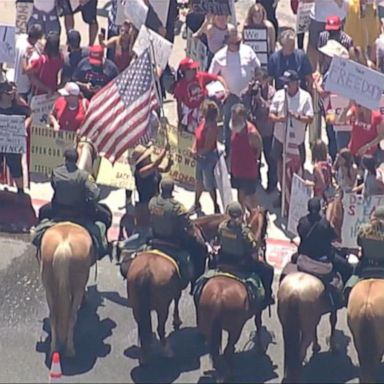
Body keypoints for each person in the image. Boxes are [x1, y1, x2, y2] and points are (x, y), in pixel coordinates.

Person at [38, 148, 112, 257]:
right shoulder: (84, 176)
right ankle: (102, 248)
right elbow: (96, 194)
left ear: (65, 159)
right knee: (105, 216)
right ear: (77, 160)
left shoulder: (56, 172)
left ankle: (38, 240)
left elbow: (54, 186)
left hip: (58, 210)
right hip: (80, 212)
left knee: (42, 211)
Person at [209, 26, 260, 156]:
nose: (238, 45)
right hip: (230, 96)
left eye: (239, 42)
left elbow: (257, 67)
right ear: (228, 42)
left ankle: (248, 150)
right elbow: (211, 76)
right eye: (235, 43)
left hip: (246, 94)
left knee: (247, 122)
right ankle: (229, 152)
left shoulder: (248, 51)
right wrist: (222, 89)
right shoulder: (219, 56)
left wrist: (256, 82)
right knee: (228, 124)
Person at [149, 178, 207, 290]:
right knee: (201, 249)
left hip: (155, 238)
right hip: (173, 241)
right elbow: (189, 227)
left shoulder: (152, 202)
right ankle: (195, 283)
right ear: (172, 190)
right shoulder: (177, 207)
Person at [217, 201, 274, 307]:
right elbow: (254, 246)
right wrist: (259, 229)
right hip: (241, 263)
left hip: (223, 261)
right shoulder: (244, 232)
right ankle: (267, 297)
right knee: (268, 270)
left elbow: (218, 240)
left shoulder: (222, 227)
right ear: (241, 215)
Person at [269, 70, 314, 206]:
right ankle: (283, 194)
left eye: (289, 83)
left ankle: (297, 195)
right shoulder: (279, 95)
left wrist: (296, 116)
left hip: (297, 140)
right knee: (280, 165)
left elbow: (310, 118)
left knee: (297, 167)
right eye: (285, 83)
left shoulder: (305, 97)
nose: (287, 86)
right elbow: (271, 114)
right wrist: (280, 119)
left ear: (296, 83)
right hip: (280, 138)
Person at [297, 197, 352, 284]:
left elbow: (299, 232)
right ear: (319, 208)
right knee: (348, 268)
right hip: (322, 255)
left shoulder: (302, 221)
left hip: (305, 252)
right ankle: (344, 293)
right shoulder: (324, 223)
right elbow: (333, 237)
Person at [243, 67, 277, 192]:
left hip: (267, 132)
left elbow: (270, 109)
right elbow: (243, 101)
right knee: (254, 159)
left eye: (260, 80)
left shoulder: (272, 92)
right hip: (254, 132)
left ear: (266, 80)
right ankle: (256, 180)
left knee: (270, 160)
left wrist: (259, 99)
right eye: (256, 80)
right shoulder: (252, 90)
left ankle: (272, 184)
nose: (258, 83)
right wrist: (248, 92)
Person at [174, 57, 227, 133]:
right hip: (190, 113)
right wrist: (180, 121)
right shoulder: (180, 86)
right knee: (191, 133)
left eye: (194, 68)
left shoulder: (201, 76)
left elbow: (218, 78)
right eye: (191, 69)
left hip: (203, 109)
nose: (194, 70)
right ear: (185, 72)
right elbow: (179, 104)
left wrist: (226, 89)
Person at [131, 143, 172, 231]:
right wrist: (164, 150)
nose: (149, 157)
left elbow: (164, 169)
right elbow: (155, 165)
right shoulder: (141, 172)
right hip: (146, 205)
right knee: (146, 230)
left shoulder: (151, 168)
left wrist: (169, 164)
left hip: (156, 202)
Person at [230, 103, 263, 212]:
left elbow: (259, 148)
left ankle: (256, 216)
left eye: (236, 118)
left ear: (243, 118)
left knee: (251, 196)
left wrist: (254, 161)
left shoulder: (251, 133)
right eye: (232, 117)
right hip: (236, 169)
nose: (233, 120)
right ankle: (241, 215)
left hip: (248, 171)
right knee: (240, 193)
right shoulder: (234, 127)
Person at [0, 81, 31, 195]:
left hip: (13, 143)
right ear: (2, 94)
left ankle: (21, 190)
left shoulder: (18, 107)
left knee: (15, 166)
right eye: (9, 94)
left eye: (13, 93)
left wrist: (24, 127)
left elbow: (29, 115)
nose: (11, 96)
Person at [190, 100, 220, 214]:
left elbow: (208, 147)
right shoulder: (202, 121)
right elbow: (196, 135)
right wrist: (193, 148)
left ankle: (216, 205)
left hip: (208, 158)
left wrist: (196, 153)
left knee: (209, 184)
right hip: (199, 156)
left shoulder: (212, 127)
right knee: (198, 182)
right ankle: (196, 203)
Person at [307, 0, 348, 70]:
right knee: (314, 47)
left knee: (335, 50)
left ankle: (329, 74)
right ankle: (311, 75)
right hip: (320, 18)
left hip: (338, 17)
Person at [25, 31, 64, 96]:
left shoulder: (41, 60)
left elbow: (31, 76)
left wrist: (26, 57)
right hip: (52, 92)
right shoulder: (61, 58)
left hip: (38, 94)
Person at [14, 24, 43, 101]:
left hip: (15, 82)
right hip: (24, 88)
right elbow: (31, 76)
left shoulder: (20, 39)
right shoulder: (33, 55)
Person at [355, 206, 384, 277]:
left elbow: (359, 243)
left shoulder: (363, 232)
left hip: (365, 268)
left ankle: (348, 288)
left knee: (350, 285)